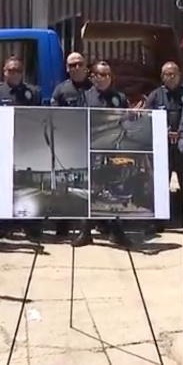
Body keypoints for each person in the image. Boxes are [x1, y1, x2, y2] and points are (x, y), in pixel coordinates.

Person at [0, 57, 42, 239]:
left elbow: (39, 117)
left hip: (26, 145)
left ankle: (28, 224)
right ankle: (3, 224)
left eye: (17, 70)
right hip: (2, 145)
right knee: (3, 186)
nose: (14, 74)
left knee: (26, 185)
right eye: (11, 70)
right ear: (4, 72)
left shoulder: (33, 92)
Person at [76, 61, 130, 247]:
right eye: (99, 75)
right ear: (93, 77)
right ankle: (85, 232)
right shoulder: (85, 97)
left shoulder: (120, 97)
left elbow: (126, 124)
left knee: (114, 191)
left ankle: (116, 232)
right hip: (92, 151)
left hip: (113, 151)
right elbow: (78, 121)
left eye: (106, 74)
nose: (103, 78)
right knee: (90, 191)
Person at [50, 52, 94, 238]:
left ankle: (92, 224)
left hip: (92, 143)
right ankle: (63, 223)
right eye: (72, 65)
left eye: (79, 64)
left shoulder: (95, 88)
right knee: (65, 186)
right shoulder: (60, 90)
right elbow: (53, 117)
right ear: (67, 68)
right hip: (68, 143)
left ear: (86, 66)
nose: (76, 68)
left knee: (91, 186)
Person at [144, 62, 183, 225]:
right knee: (160, 186)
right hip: (162, 149)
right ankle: (158, 222)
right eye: (166, 74)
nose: (170, 77)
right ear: (162, 77)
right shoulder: (155, 96)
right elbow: (146, 120)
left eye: (173, 74)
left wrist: (181, 133)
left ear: (179, 75)